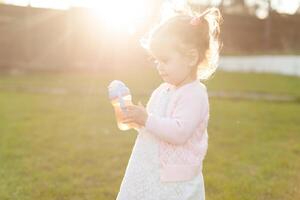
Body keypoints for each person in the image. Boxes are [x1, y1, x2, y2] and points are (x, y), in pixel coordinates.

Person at [116, 6, 223, 200]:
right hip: (154, 168)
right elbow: (156, 127)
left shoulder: (194, 94)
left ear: (191, 57)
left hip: (176, 179)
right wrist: (138, 121)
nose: (159, 66)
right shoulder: (163, 90)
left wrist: (147, 119)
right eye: (156, 60)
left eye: (165, 60)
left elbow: (179, 132)